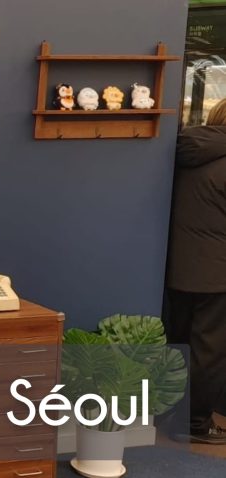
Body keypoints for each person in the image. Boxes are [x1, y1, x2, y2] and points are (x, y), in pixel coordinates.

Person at [164, 98, 226, 444]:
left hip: (177, 267)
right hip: (217, 274)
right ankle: (195, 423)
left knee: (179, 344)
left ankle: (168, 414)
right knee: (209, 354)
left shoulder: (182, 151)